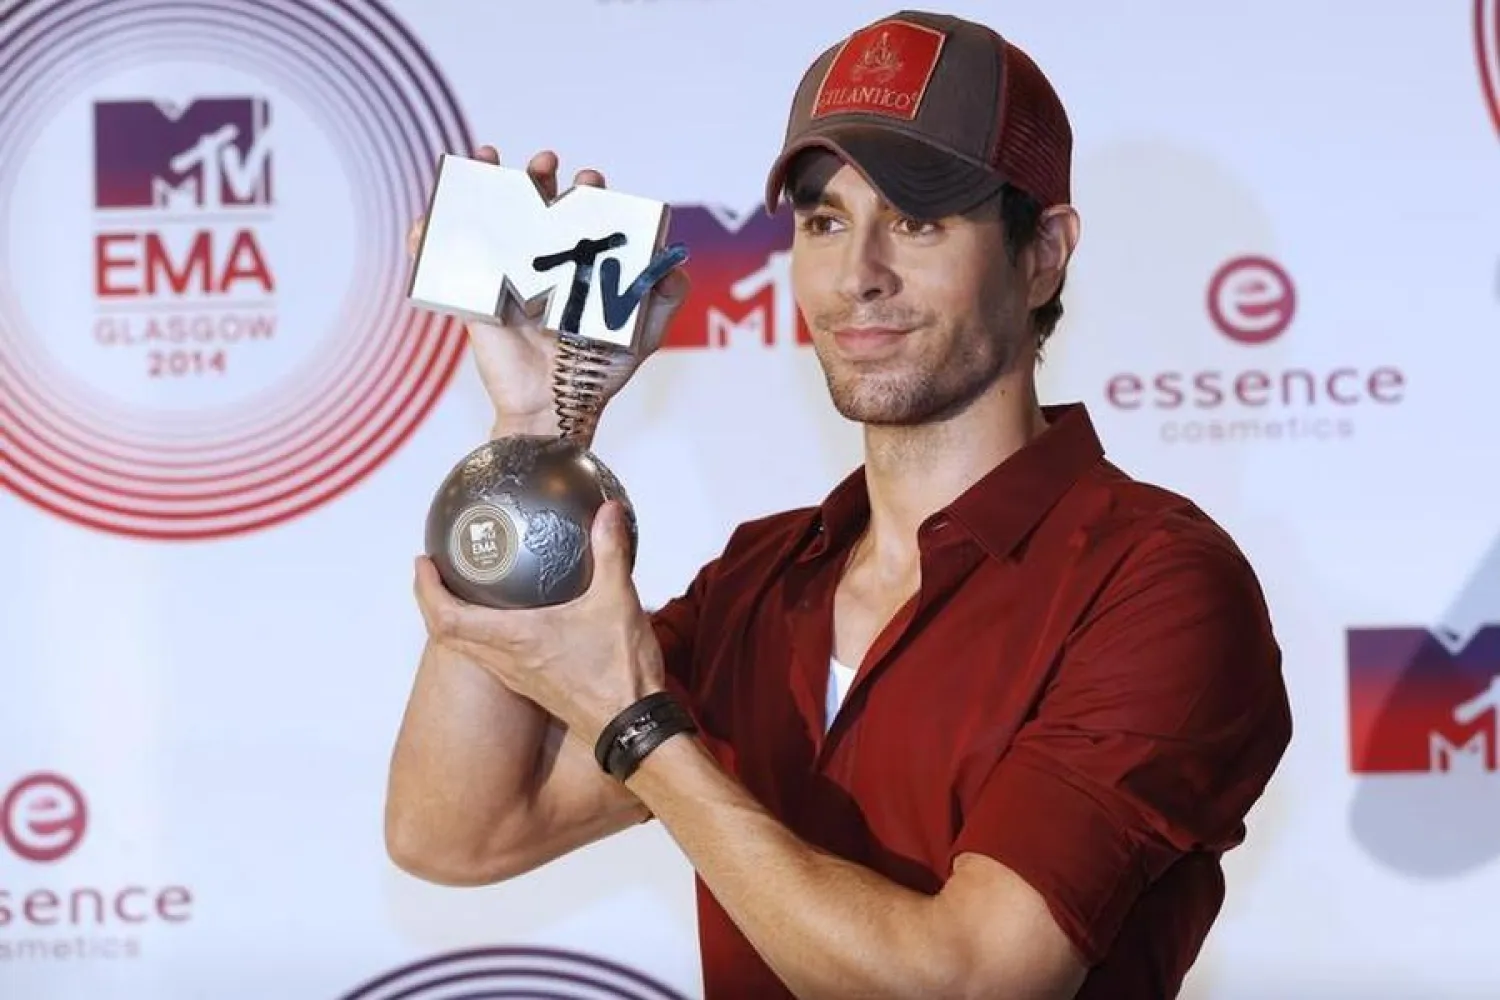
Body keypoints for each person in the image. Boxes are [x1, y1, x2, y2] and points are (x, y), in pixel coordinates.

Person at [384, 9, 1293, 999]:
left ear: (1043, 253)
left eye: (916, 220)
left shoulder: (1156, 584)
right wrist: (536, 433)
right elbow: (456, 830)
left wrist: (637, 724)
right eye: (824, 222)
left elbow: (973, 983)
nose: (858, 275)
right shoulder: (763, 579)